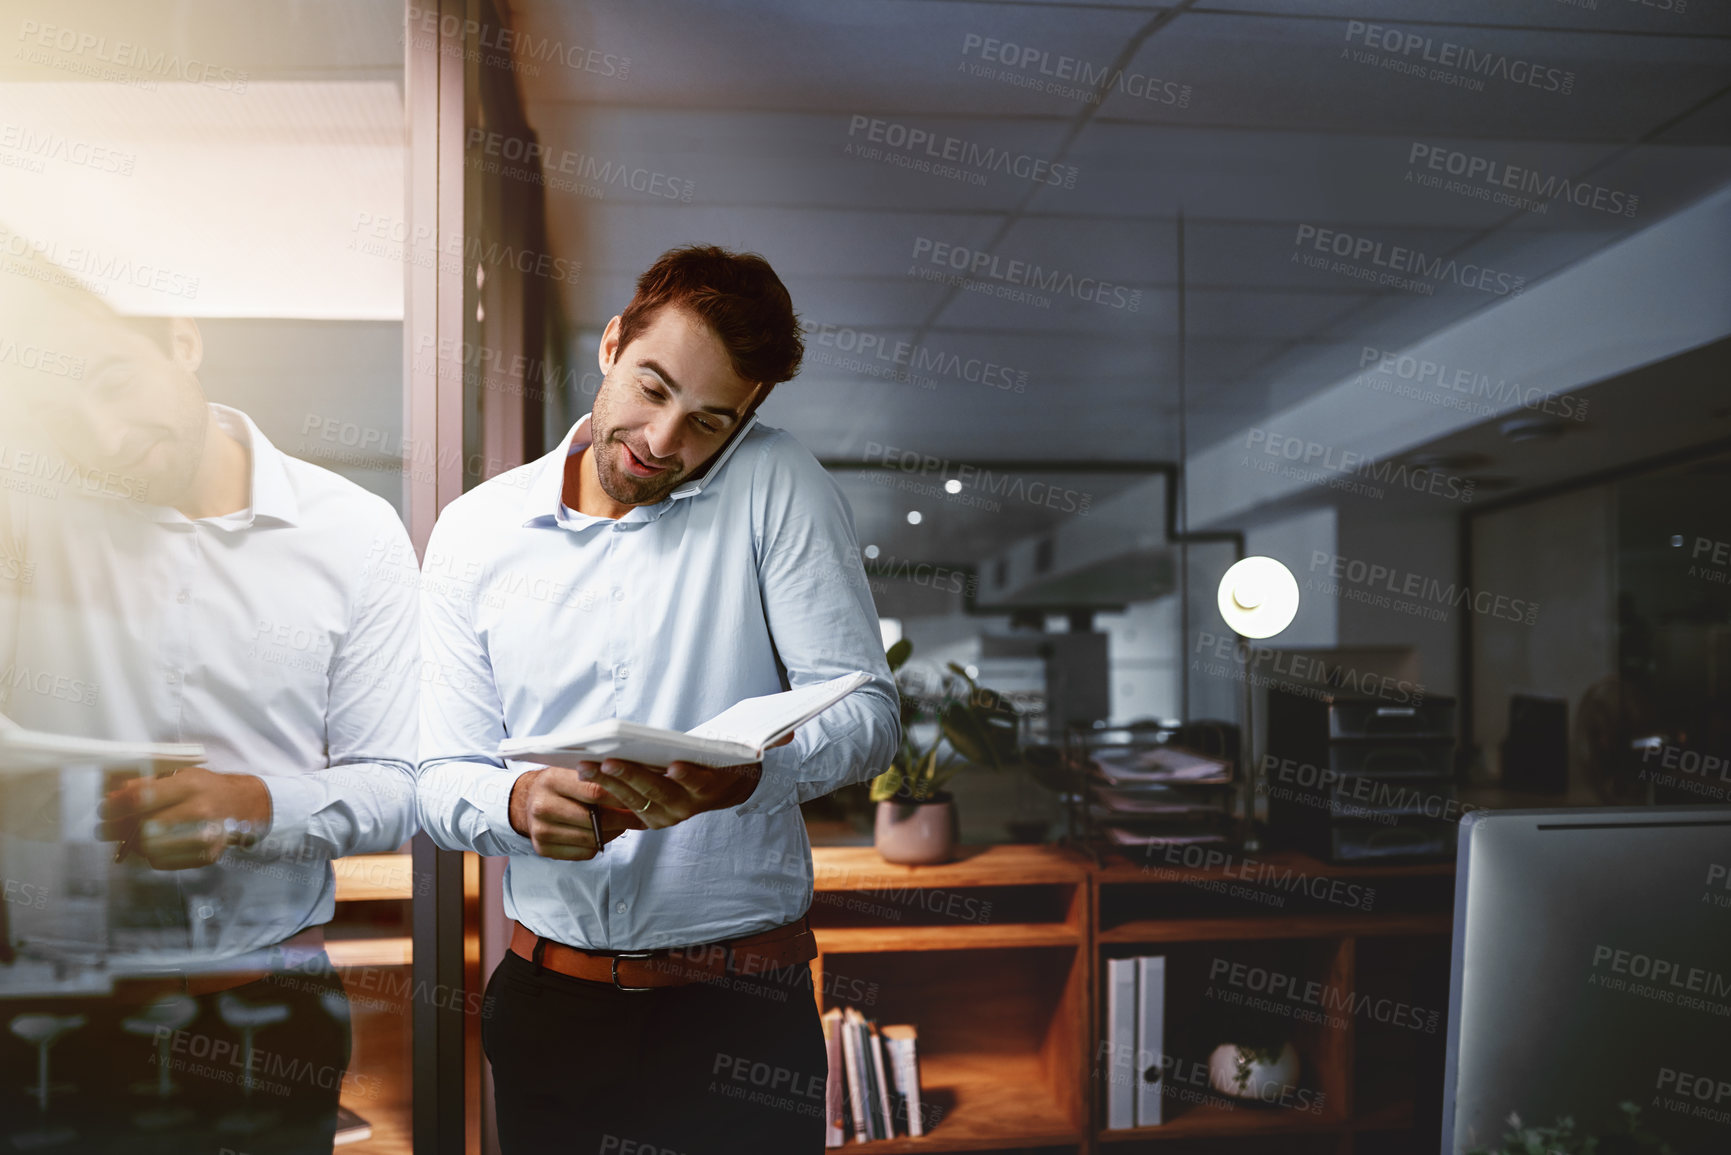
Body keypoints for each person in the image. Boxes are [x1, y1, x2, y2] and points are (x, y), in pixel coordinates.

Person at [416, 244, 899, 1153]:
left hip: (741, 1016)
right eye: (652, 387)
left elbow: (868, 715)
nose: (664, 439)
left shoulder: (776, 481)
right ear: (610, 345)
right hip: (552, 1007)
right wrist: (516, 803)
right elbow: (439, 774)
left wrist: (753, 772)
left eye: (711, 421)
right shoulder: (475, 531)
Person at [0, 267, 420, 1153]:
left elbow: (393, 784)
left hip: (272, 1002)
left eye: (114, 382)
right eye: (63, 411)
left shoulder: (354, 531)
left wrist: (251, 807)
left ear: (182, 341)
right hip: (54, 1004)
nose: (105, 436)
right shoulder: (24, 515)